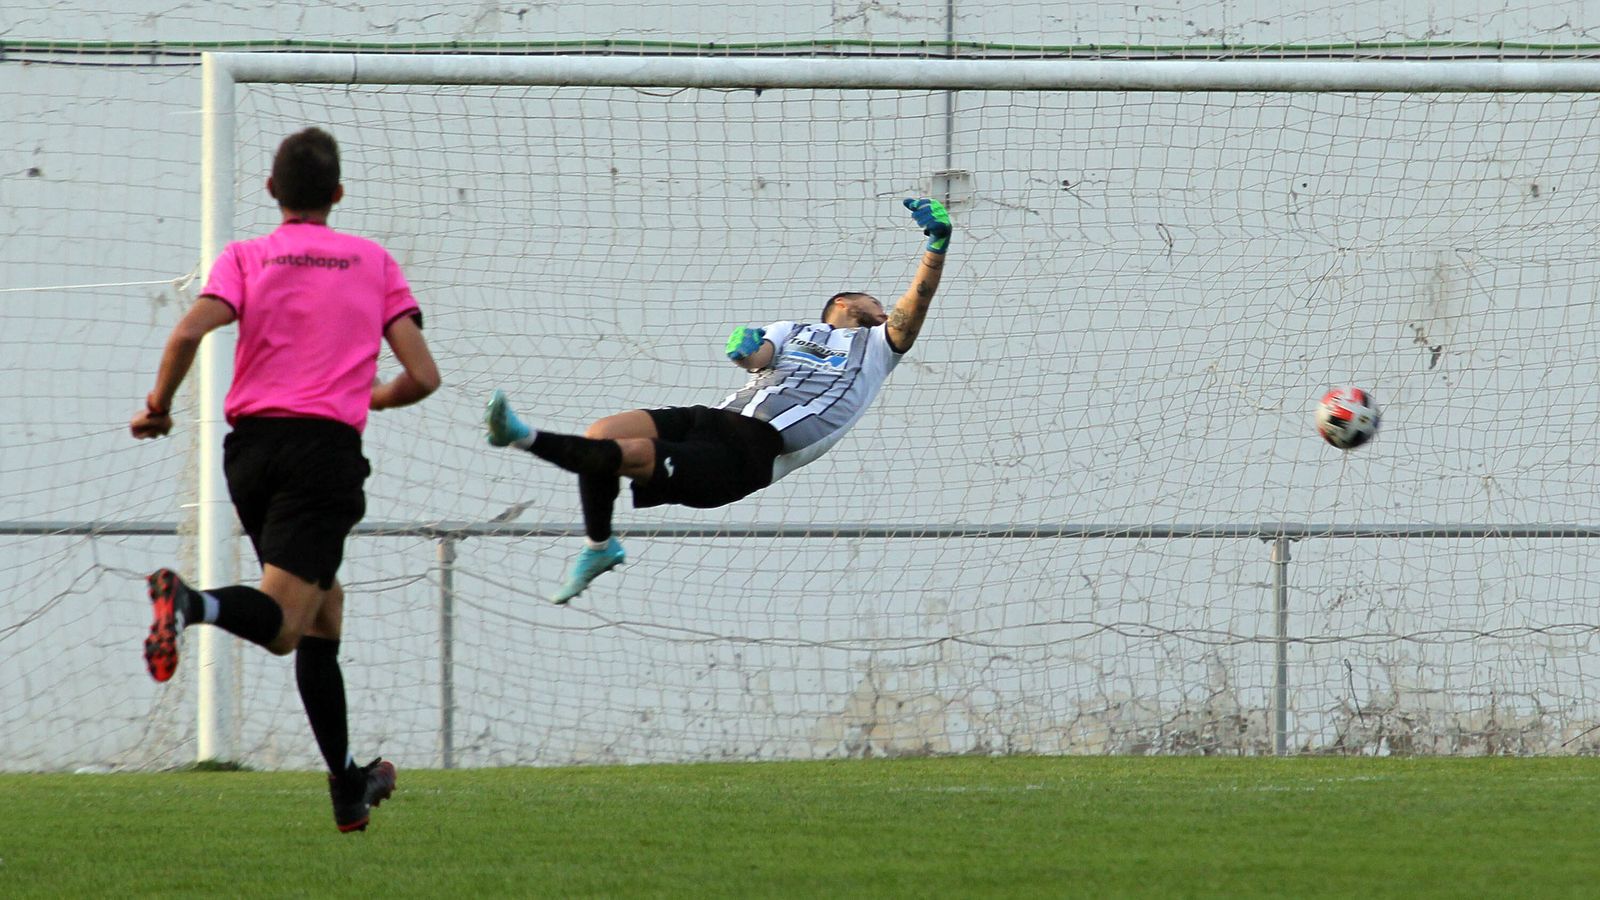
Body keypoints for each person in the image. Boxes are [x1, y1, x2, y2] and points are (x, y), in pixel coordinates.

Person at [129, 127, 441, 833]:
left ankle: (347, 785)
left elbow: (185, 334)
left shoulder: (245, 256)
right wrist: (371, 398)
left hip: (249, 453)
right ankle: (188, 604)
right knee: (281, 627)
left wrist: (158, 409)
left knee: (324, 609)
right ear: (337, 193)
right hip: (322, 455)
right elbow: (423, 376)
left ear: (272, 191)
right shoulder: (373, 261)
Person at [484, 197, 951, 604]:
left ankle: (521, 437)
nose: (886, 309)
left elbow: (916, 304)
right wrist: (747, 350)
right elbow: (759, 355)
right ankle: (600, 546)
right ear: (846, 303)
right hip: (716, 418)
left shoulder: (878, 348)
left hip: (749, 453)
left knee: (624, 456)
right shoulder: (794, 329)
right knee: (603, 433)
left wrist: (935, 247)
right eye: (874, 302)